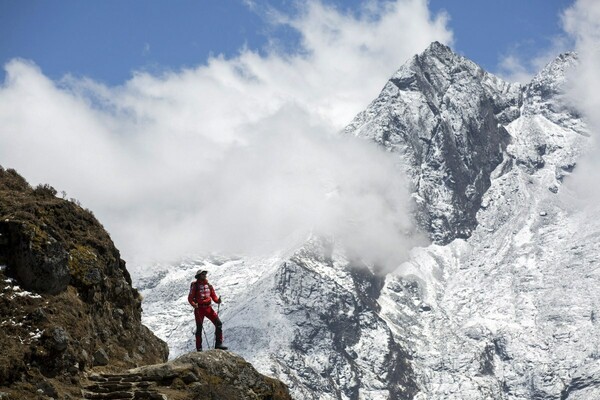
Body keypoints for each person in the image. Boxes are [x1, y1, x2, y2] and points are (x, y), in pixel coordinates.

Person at [188, 270, 227, 351]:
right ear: (199, 275)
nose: (205, 275)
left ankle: (218, 344)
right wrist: (193, 304)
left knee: (218, 324)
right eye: (203, 274)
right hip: (199, 309)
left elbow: (214, 296)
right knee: (199, 328)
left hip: (208, 308)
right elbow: (190, 298)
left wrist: (217, 301)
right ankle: (199, 348)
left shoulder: (209, 286)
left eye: (205, 274)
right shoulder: (194, 285)